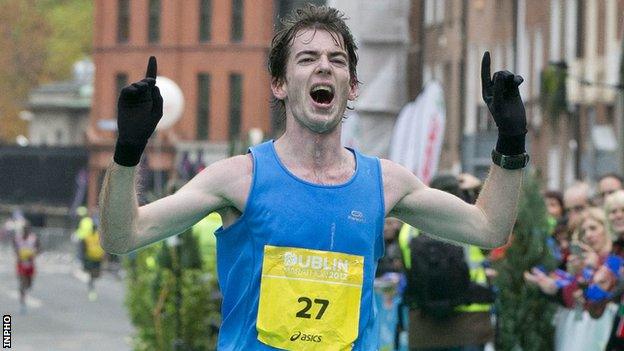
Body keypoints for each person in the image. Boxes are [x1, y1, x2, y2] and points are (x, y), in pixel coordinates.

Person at [98, 5, 528, 350]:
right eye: (308, 58)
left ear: (352, 86)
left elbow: (489, 228)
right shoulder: (237, 178)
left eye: (336, 60)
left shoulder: (386, 183)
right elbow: (122, 237)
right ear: (280, 84)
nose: (324, 67)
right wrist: (127, 152)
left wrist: (510, 143)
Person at [524, 207, 621, 351]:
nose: (588, 235)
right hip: (578, 332)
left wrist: (596, 268)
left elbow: (605, 296)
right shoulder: (583, 262)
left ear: (606, 228)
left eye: (593, 228)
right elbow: (571, 298)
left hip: (607, 332)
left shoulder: (615, 260)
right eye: (584, 232)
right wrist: (552, 286)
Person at [12, 220, 39, 314]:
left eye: (27, 229)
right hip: (21, 263)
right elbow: (15, 248)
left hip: (30, 264)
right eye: (24, 229)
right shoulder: (17, 238)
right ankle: (22, 303)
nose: (25, 231)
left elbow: (39, 248)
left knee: (29, 284)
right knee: (22, 283)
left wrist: (33, 253)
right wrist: (19, 255)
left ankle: (25, 289)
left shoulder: (33, 238)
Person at [80, 220, 105, 301]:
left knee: (96, 274)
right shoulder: (88, 237)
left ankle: (92, 284)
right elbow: (84, 248)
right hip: (91, 258)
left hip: (97, 258)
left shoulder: (98, 236)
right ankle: (91, 287)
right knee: (91, 274)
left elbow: (103, 247)